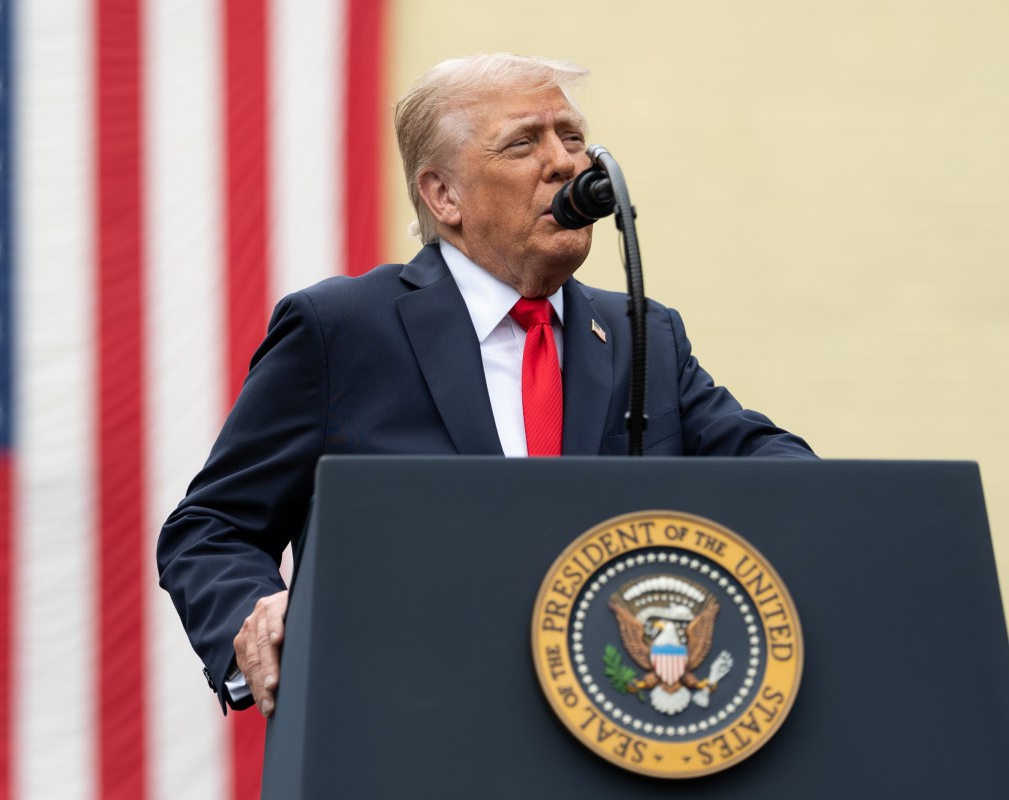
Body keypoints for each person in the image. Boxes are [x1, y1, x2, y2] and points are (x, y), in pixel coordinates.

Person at [157, 53, 814, 720]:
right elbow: (212, 527)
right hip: (409, 721)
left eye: (573, 137)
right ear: (444, 197)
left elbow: (786, 477)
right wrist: (256, 614)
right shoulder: (344, 330)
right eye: (525, 142)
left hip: (616, 727)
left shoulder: (642, 335)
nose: (565, 163)